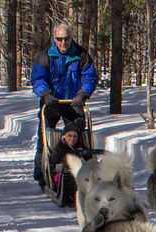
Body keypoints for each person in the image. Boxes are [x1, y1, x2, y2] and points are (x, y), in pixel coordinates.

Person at [31, 21, 98, 187]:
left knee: (80, 137)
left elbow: (90, 76)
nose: (63, 43)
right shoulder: (46, 55)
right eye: (60, 39)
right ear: (55, 38)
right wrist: (45, 94)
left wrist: (83, 94)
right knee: (45, 136)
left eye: (66, 39)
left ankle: (84, 173)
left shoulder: (81, 54)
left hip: (73, 101)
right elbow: (38, 78)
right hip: (52, 101)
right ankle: (42, 173)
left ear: (71, 38)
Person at [48, 121, 92, 205]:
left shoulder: (81, 147)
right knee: (68, 176)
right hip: (63, 175)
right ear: (64, 136)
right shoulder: (59, 149)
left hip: (80, 173)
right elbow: (52, 165)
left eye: (75, 136)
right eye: (69, 136)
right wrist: (61, 167)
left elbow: (89, 160)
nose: (72, 139)